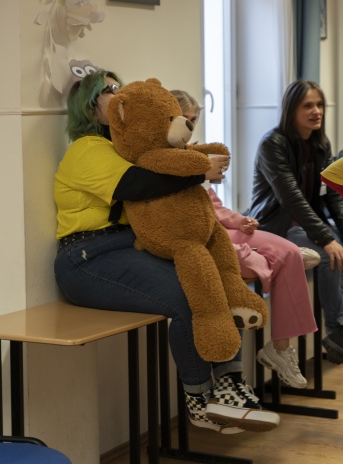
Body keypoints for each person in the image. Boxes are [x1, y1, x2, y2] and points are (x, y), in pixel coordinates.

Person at [54, 70, 280, 435]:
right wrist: (200, 171)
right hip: (87, 257)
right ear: (89, 106)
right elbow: (136, 185)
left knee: (211, 281)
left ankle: (230, 384)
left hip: (129, 246)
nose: (120, 92)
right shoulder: (86, 149)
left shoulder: (125, 147)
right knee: (188, 294)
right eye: (110, 89)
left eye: (120, 85)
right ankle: (200, 399)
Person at [171, 89, 318, 389]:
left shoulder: (196, 154)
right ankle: (271, 262)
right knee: (277, 260)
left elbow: (213, 205)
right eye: (184, 119)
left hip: (220, 226)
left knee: (290, 253)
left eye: (194, 119)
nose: (190, 126)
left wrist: (239, 219)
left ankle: (280, 349)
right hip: (199, 236)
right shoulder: (160, 160)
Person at [248, 80, 343, 364]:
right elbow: (290, 197)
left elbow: (331, 195)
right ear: (291, 110)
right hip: (275, 227)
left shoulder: (320, 144)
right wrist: (327, 238)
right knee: (327, 255)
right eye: (308, 106)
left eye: (319, 105)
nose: (317, 111)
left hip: (306, 224)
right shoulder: (273, 143)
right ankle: (337, 330)